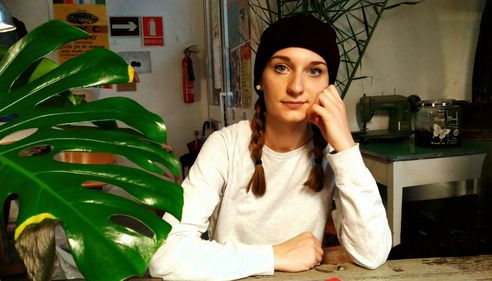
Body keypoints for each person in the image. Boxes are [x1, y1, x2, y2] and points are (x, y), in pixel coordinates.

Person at [149, 14, 392, 280]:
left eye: (314, 71)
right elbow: (163, 257)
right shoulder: (225, 146)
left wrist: (345, 147)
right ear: (260, 80)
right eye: (281, 68)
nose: (297, 87)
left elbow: (372, 254)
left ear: (328, 87)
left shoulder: (333, 156)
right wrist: (275, 255)